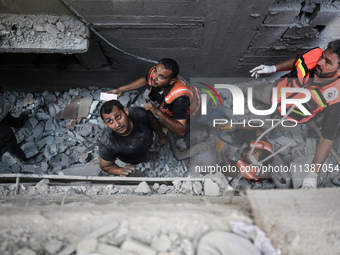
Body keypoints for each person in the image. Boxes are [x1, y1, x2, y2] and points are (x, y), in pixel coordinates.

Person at [249, 39, 340, 188]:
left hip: (291, 117)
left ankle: (271, 133)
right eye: (323, 57)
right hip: (275, 93)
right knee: (255, 91)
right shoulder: (315, 55)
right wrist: (273, 68)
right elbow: (298, 61)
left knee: (278, 128)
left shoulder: (336, 97)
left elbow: (326, 139)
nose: (320, 62)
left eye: (328, 62)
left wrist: (312, 173)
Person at [108, 58, 200, 151]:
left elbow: (181, 131)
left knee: (182, 136)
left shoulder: (180, 99)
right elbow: (145, 80)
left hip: (191, 111)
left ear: (171, 81)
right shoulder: (157, 74)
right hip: (175, 101)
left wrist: (157, 112)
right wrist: (120, 90)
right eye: (155, 71)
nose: (154, 77)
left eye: (161, 77)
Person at [99, 100, 167, 177]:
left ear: (126, 111)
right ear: (105, 124)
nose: (117, 124)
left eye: (118, 117)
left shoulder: (139, 114)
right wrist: (120, 170)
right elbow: (105, 166)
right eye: (110, 121)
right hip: (133, 159)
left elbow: (154, 123)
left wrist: (162, 136)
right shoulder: (108, 141)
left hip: (149, 143)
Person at [0, 88, 30, 163]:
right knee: (10, 142)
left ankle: (19, 123)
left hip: (2, 113)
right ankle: (23, 159)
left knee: (9, 119)